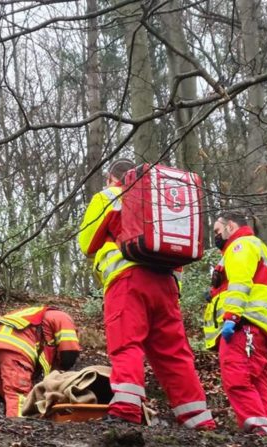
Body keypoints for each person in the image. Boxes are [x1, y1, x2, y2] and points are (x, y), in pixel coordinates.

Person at [78, 158, 216, 429]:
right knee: (174, 353)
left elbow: (87, 242)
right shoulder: (160, 199)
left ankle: (126, 409)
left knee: (127, 343)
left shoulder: (109, 196)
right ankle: (199, 421)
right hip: (166, 284)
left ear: (111, 178)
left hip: (128, 281)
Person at [204, 211, 267, 435]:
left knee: (236, 377)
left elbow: (240, 283)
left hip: (242, 326)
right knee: (256, 381)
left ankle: (257, 430)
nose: (216, 236)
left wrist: (231, 317)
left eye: (218, 231)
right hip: (256, 327)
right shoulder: (252, 246)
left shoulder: (240, 245)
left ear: (231, 226)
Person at [0, 306, 81, 417]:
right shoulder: (63, 317)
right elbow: (69, 353)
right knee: (18, 394)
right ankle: (18, 427)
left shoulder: (35, 316)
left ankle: (8, 422)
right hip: (13, 342)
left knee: (7, 393)